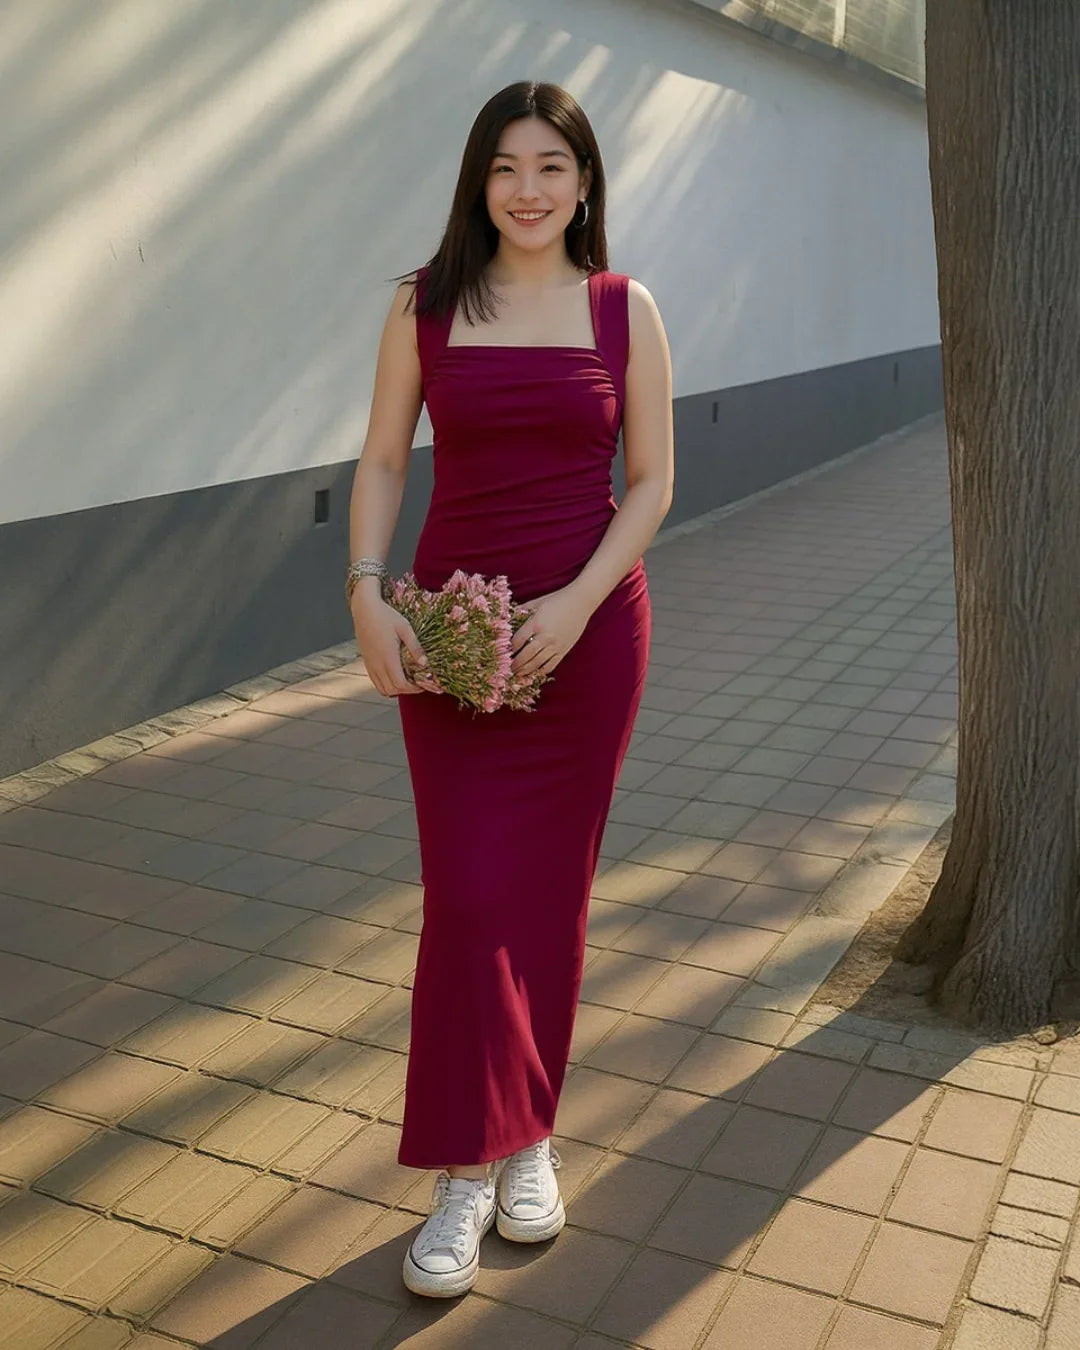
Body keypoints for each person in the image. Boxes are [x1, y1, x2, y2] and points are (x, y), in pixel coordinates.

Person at [347, 80, 674, 1299]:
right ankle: (463, 1172)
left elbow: (650, 483)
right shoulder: (423, 305)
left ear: (585, 183)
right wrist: (366, 591)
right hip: (451, 645)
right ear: (477, 184)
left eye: (552, 166)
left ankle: (525, 1137)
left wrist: (579, 603)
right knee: (471, 896)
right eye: (505, 168)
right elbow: (384, 458)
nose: (528, 189)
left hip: (586, 644)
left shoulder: (621, 308)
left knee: (548, 895)